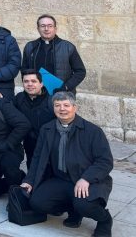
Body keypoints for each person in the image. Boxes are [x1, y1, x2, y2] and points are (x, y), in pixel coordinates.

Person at [21, 92, 114, 237]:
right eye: (57, 105)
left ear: (75, 107)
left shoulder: (92, 131)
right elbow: (37, 158)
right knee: (37, 203)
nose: (62, 109)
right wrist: (29, 181)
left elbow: (105, 161)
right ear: (53, 108)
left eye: (66, 105)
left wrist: (86, 179)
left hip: (86, 179)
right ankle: (74, 210)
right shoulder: (47, 129)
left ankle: (105, 220)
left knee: (85, 205)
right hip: (61, 179)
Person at [21, 14, 86, 94]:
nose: (46, 29)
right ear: (38, 29)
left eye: (50, 26)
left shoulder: (68, 47)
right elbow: (24, 70)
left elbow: (80, 71)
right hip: (36, 95)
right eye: (43, 26)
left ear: (55, 29)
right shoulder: (30, 47)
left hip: (61, 94)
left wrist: (66, 86)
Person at [14, 70, 55, 168]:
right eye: (26, 81)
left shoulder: (52, 100)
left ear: (41, 84)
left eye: (33, 81)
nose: (30, 84)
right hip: (29, 145)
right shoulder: (19, 98)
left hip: (49, 146)